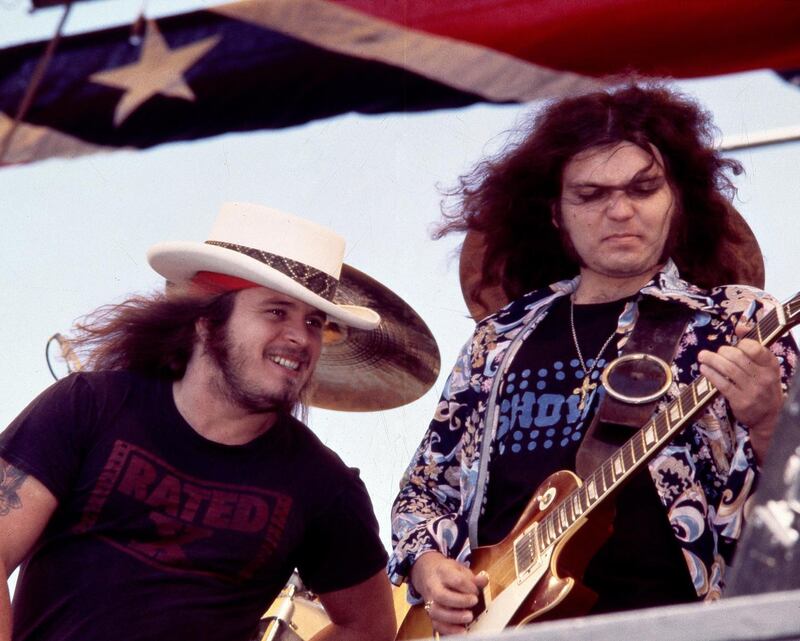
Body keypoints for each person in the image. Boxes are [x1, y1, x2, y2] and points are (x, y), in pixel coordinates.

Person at [389, 83, 799, 636]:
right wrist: (429, 566)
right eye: (590, 194)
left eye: (643, 188)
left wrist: (772, 421)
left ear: (676, 198)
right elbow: (425, 487)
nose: (621, 211)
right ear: (555, 214)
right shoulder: (498, 339)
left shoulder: (737, 322)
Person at [0, 202, 397, 641]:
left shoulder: (323, 484)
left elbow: (369, 627)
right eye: (276, 311)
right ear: (207, 321)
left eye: (314, 322)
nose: (300, 337)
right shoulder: (90, 405)